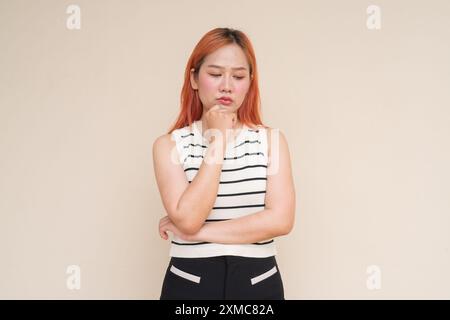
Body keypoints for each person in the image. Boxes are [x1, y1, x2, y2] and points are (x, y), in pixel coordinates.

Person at [152, 27, 295, 300]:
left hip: (259, 282)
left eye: (238, 76)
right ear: (194, 78)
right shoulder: (169, 145)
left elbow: (281, 220)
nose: (227, 85)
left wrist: (198, 234)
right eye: (215, 74)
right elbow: (189, 218)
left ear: (250, 82)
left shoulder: (272, 141)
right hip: (188, 283)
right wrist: (218, 142)